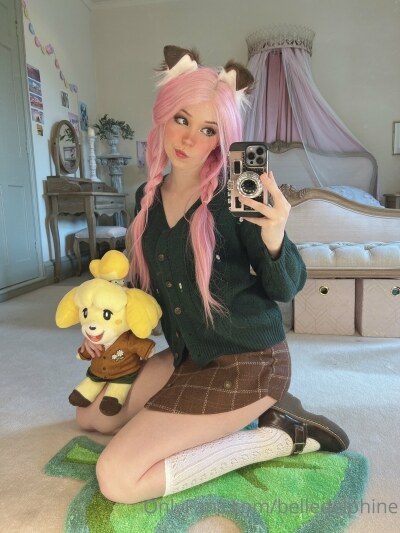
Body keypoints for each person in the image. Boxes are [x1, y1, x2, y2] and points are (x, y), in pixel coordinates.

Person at [76, 45, 349, 505]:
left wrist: (275, 236)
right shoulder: (146, 196)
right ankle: (229, 417)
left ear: (223, 138)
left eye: (209, 130)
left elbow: (286, 287)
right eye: (181, 119)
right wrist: (109, 331)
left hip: (249, 361)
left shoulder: (234, 197)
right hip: (191, 354)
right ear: (163, 116)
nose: (189, 139)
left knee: (118, 478)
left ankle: (280, 436)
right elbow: (146, 288)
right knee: (92, 419)